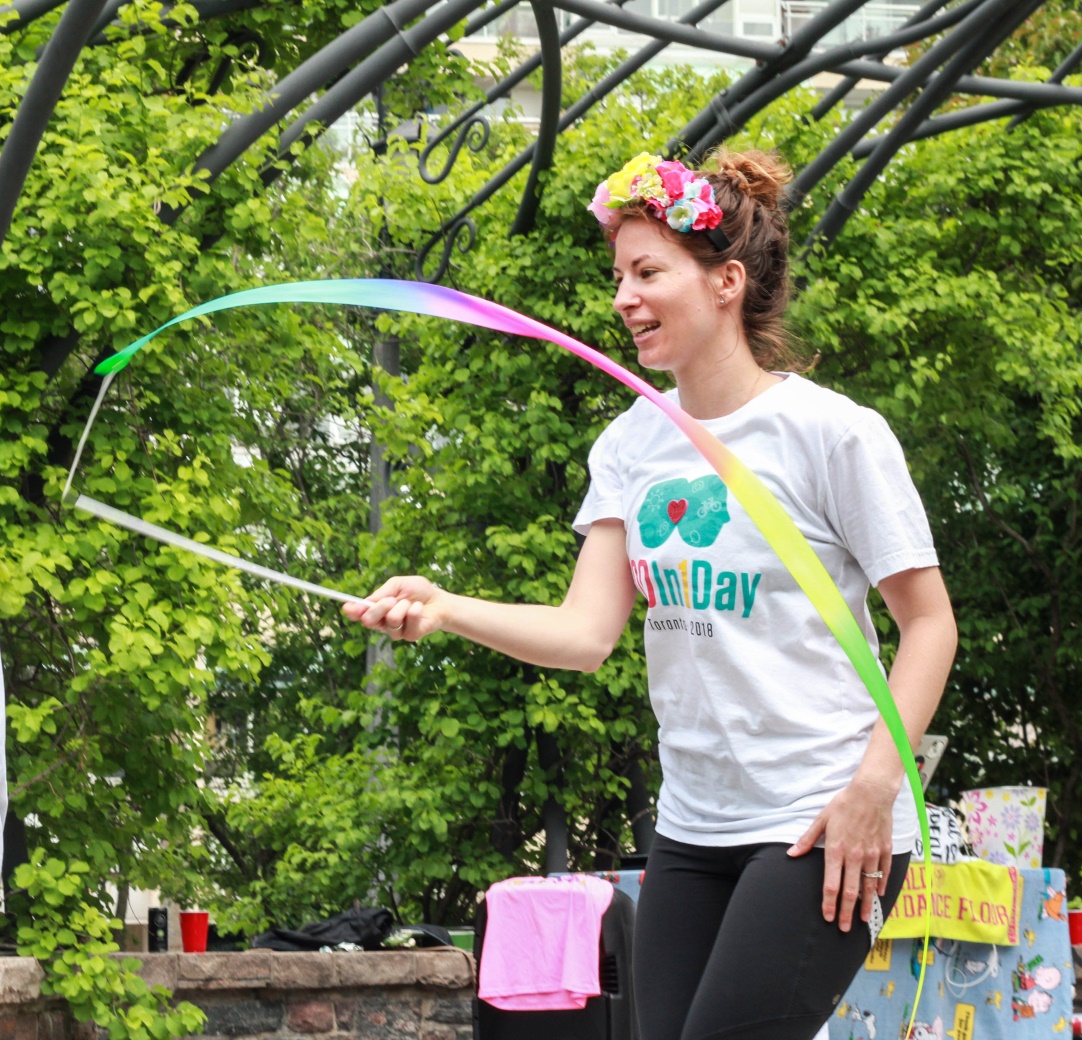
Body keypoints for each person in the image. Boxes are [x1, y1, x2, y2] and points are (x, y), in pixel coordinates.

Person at [343, 148, 957, 1040]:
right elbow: (586, 633)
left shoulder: (832, 434)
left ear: (726, 283)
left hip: (822, 817)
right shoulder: (632, 445)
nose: (623, 297)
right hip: (694, 825)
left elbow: (929, 624)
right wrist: (444, 609)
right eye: (618, 275)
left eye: (647, 272)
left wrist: (874, 788)